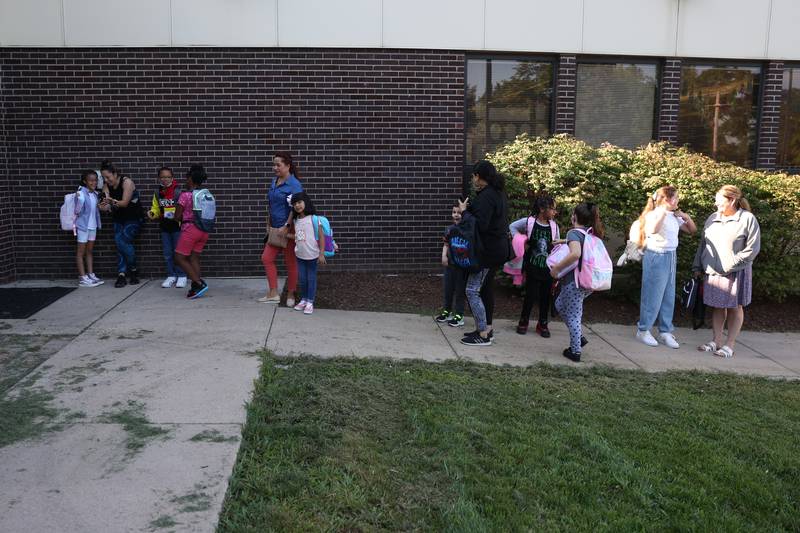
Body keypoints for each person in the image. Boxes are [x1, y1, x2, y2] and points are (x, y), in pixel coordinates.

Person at [693, 185, 761, 359]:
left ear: (731, 200)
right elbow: (703, 245)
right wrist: (697, 266)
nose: (716, 205)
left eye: (719, 201)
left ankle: (729, 344)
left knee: (735, 307)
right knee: (717, 305)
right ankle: (716, 340)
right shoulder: (712, 218)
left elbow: (752, 249)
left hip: (736, 271)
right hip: (713, 271)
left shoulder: (747, 219)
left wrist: (731, 264)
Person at [635, 186, 697, 348]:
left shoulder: (673, 216)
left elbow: (692, 230)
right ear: (666, 199)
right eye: (675, 198)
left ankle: (665, 331)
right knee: (653, 295)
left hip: (671, 256)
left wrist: (685, 216)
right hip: (657, 255)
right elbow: (653, 230)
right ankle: (643, 330)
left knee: (668, 296)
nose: (678, 200)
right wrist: (663, 211)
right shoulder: (653, 214)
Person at [457, 160, 510, 346]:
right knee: (485, 289)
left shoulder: (487, 196)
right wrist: (468, 210)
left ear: (478, 176)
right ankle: (486, 327)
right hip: (498, 249)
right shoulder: (497, 193)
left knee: (472, 290)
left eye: (473, 176)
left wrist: (464, 213)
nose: (472, 179)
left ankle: (483, 334)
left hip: (488, 251)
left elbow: (480, 225)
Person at [549, 203, 605, 363]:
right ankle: (578, 337)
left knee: (573, 317)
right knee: (559, 305)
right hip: (586, 282)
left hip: (575, 283)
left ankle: (575, 351)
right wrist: (563, 241)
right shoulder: (589, 233)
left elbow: (575, 254)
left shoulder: (574, 233)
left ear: (575, 216)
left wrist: (556, 269)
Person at [509, 193, 561, 337]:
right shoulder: (529, 222)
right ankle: (524, 321)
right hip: (532, 266)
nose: (555, 212)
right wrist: (520, 240)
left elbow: (556, 247)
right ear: (542, 208)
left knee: (545, 297)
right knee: (530, 295)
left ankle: (543, 323)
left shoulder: (554, 226)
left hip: (548, 269)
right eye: (552, 209)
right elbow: (512, 226)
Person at [260, 152, 303, 306]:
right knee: (266, 258)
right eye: (274, 164)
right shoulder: (275, 181)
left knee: (290, 262)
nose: (275, 167)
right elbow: (271, 204)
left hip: (288, 230)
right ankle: (273, 293)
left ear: (288, 166)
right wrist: (268, 223)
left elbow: (296, 208)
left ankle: (291, 293)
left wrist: (287, 226)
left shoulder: (294, 184)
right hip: (274, 229)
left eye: (278, 165)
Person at [100, 160, 143, 288]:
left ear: (115, 173)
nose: (106, 180)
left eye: (108, 177)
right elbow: (105, 206)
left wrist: (111, 201)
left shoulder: (127, 182)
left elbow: (124, 203)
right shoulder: (106, 186)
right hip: (119, 219)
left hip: (134, 218)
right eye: (103, 178)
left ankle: (132, 270)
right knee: (120, 244)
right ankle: (123, 274)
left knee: (121, 241)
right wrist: (102, 205)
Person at [174, 164, 211, 299]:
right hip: (204, 230)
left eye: (187, 177)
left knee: (179, 257)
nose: (185, 180)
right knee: (193, 257)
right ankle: (196, 286)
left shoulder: (185, 195)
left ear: (191, 179)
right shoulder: (205, 194)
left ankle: (198, 283)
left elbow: (177, 217)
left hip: (190, 229)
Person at [148, 166, 188, 289]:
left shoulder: (178, 191)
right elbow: (155, 207)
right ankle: (171, 275)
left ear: (172, 177)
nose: (165, 179)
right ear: (159, 178)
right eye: (162, 177)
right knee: (167, 253)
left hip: (177, 226)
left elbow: (185, 208)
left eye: (168, 177)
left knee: (179, 252)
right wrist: (153, 213)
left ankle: (182, 275)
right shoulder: (158, 193)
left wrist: (178, 217)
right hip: (164, 227)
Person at [287, 192, 326, 315]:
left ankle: (310, 301)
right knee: (303, 279)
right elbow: (299, 237)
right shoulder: (296, 220)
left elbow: (321, 236)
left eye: (299, 202)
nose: (297, 206)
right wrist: (286, 235)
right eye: (294, 204)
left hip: (313, 255)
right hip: (300, 255)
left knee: (311, 279)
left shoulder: (314, 219)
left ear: (306, 202)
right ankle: (303, 299)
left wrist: (321, 253)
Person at [435, 204, 467, 327]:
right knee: (447, 289)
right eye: (454, 212)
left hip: (461, 265)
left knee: (459, 290)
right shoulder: (449, 229)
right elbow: (446, 244)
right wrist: (444, 256)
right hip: (449, 264)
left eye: (459, 212)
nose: (456, 215)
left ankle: (459, 315)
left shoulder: (466, 230)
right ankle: (446, 311)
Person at [74, 170, 104, 287]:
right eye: (91, 180)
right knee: (80, 252)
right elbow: (77, 211)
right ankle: (82, 277)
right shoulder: (81, 193)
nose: (94, 182)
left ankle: (90, 274)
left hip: (93, 226)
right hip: (83, 226)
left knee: (89, 251)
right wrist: (79, 199)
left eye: (95, 180)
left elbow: (97, 210)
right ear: (85, 181)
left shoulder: (96, 194)